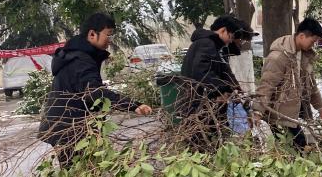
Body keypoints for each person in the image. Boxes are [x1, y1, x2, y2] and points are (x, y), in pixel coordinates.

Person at [38, 12, 152, 168]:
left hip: (67, 124)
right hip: (68, 128)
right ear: (92, 34)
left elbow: (86, 93)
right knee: (80, 174)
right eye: (108, 35)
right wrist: (133, 105)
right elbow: (94, 92)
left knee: (85, 172)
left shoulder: (78, 55)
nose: (110, 40)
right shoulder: (81, 60)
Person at [255, 18, 322, 148]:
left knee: (296, 147)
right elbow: (266, 85)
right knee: (297, 146)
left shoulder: (305, 56)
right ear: (301, 36)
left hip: (294, 112)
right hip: (278, 114)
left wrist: (320, 107)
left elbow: (311, 84)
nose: (313, 45)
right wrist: (257, 111)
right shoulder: (278, 57)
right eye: (313, 41)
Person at [177, 15, 246, 145]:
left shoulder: (213, 46)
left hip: (205, 105)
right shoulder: (207, 43)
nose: (230, 41)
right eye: (231, 37)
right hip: (199, 105)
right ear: (223, 30)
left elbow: (224, 70)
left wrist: (235, 88)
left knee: (212, 142)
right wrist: (221, 90)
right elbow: (201, 72)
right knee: (201, 144)